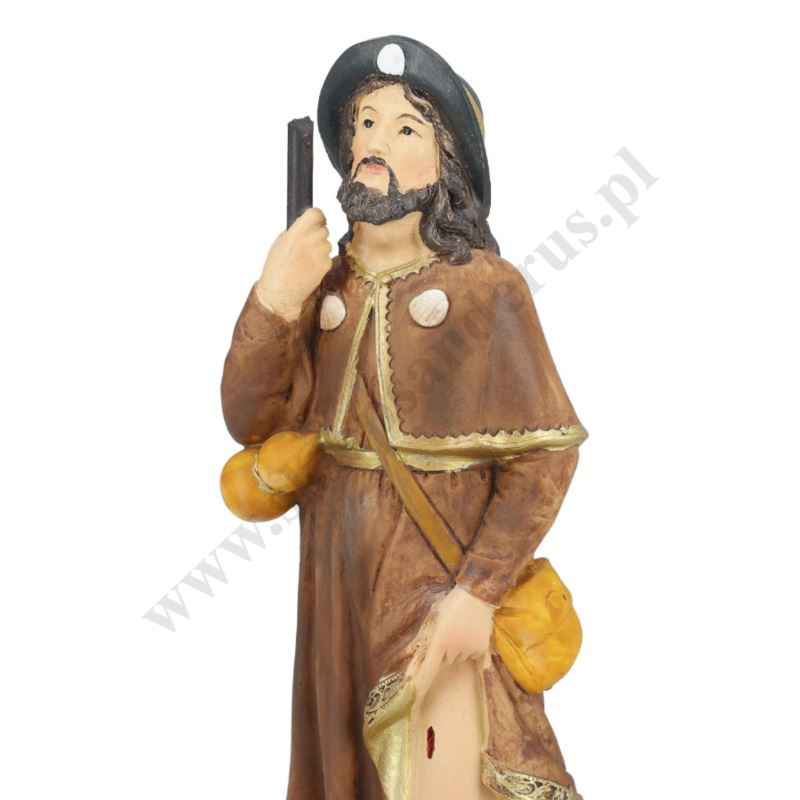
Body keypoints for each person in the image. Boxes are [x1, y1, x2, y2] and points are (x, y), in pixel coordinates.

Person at [221, 35, 588, 800]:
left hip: (436, 585)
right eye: (363, 124)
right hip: (334, 586)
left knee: (442, 766)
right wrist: (275, 298)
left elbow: (542, 461)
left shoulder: (488, 290)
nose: (372, 143)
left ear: (446, 163)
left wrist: (476, 593)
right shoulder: (320, 287)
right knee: (343, 772)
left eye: (404, 127)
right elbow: (249, 416)